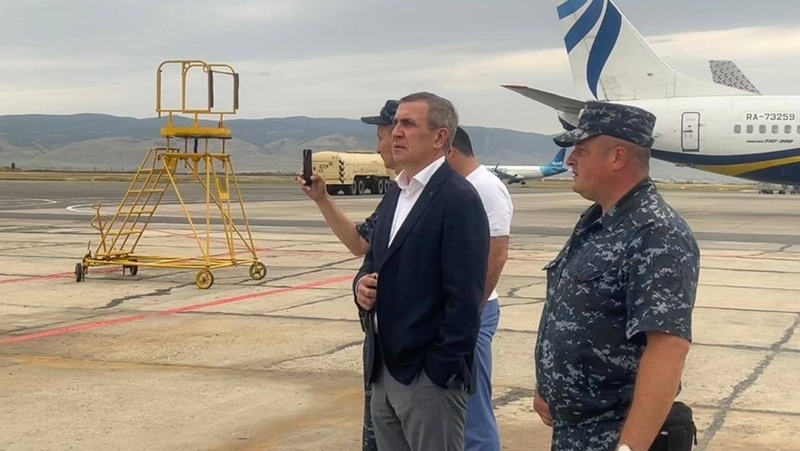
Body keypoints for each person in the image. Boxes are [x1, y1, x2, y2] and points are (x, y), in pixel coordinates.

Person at [533, 101, 700, 451]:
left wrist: (629, 448)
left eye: (581, 151)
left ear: (618, 157)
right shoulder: (597, 220)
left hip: (616, 433)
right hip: (576, 431)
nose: (570, 161)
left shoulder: (656, 232)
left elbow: (667, 347)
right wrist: (548, 387)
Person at [354, 91, 490, 451]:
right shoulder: (397, 193)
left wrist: (438, 371)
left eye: (408, 124)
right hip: (385, 369)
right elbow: (373, 260)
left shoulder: (457, 199)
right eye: (396, 123)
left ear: (440, 137)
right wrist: (361, 286)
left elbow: (465, 298)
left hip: (427, 378)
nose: (396, 132)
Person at [298, 99, 400, 451]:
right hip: (383, 351)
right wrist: (322, 199)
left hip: (418, 362)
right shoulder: (397, 194)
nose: (379, 146)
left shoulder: (446, 196)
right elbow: (361, 244)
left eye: (382, 137)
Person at [445, 126, 513, 451]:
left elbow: (497, 253)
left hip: (477, 309)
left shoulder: (485, 187)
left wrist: (474, 307)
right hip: (463, 308)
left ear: (450, 152)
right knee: (458, 404)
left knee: (473, 407)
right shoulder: (463, 186)